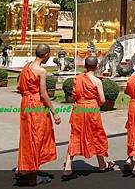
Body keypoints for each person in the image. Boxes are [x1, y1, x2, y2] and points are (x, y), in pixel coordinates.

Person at [62, 56, 113, 181]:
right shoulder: (97, 81)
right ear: (96, 67)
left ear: (85, 66)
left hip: (79, 109)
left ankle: (68, 167)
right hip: (91, 110)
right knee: (97, 135)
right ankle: (102, 165)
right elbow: (102, 100)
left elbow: (74, 95)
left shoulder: (77, 79)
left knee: (75, 135)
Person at [16, 44, 61, 185]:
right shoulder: (41, 71)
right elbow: (43, 94)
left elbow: (20, 88)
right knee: (37, 137)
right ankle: (32, 177)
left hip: (25, 104)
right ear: (46, 54)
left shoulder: (27, 66)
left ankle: (27, 168)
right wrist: (54, 112)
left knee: (28, 137)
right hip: (36, 105)